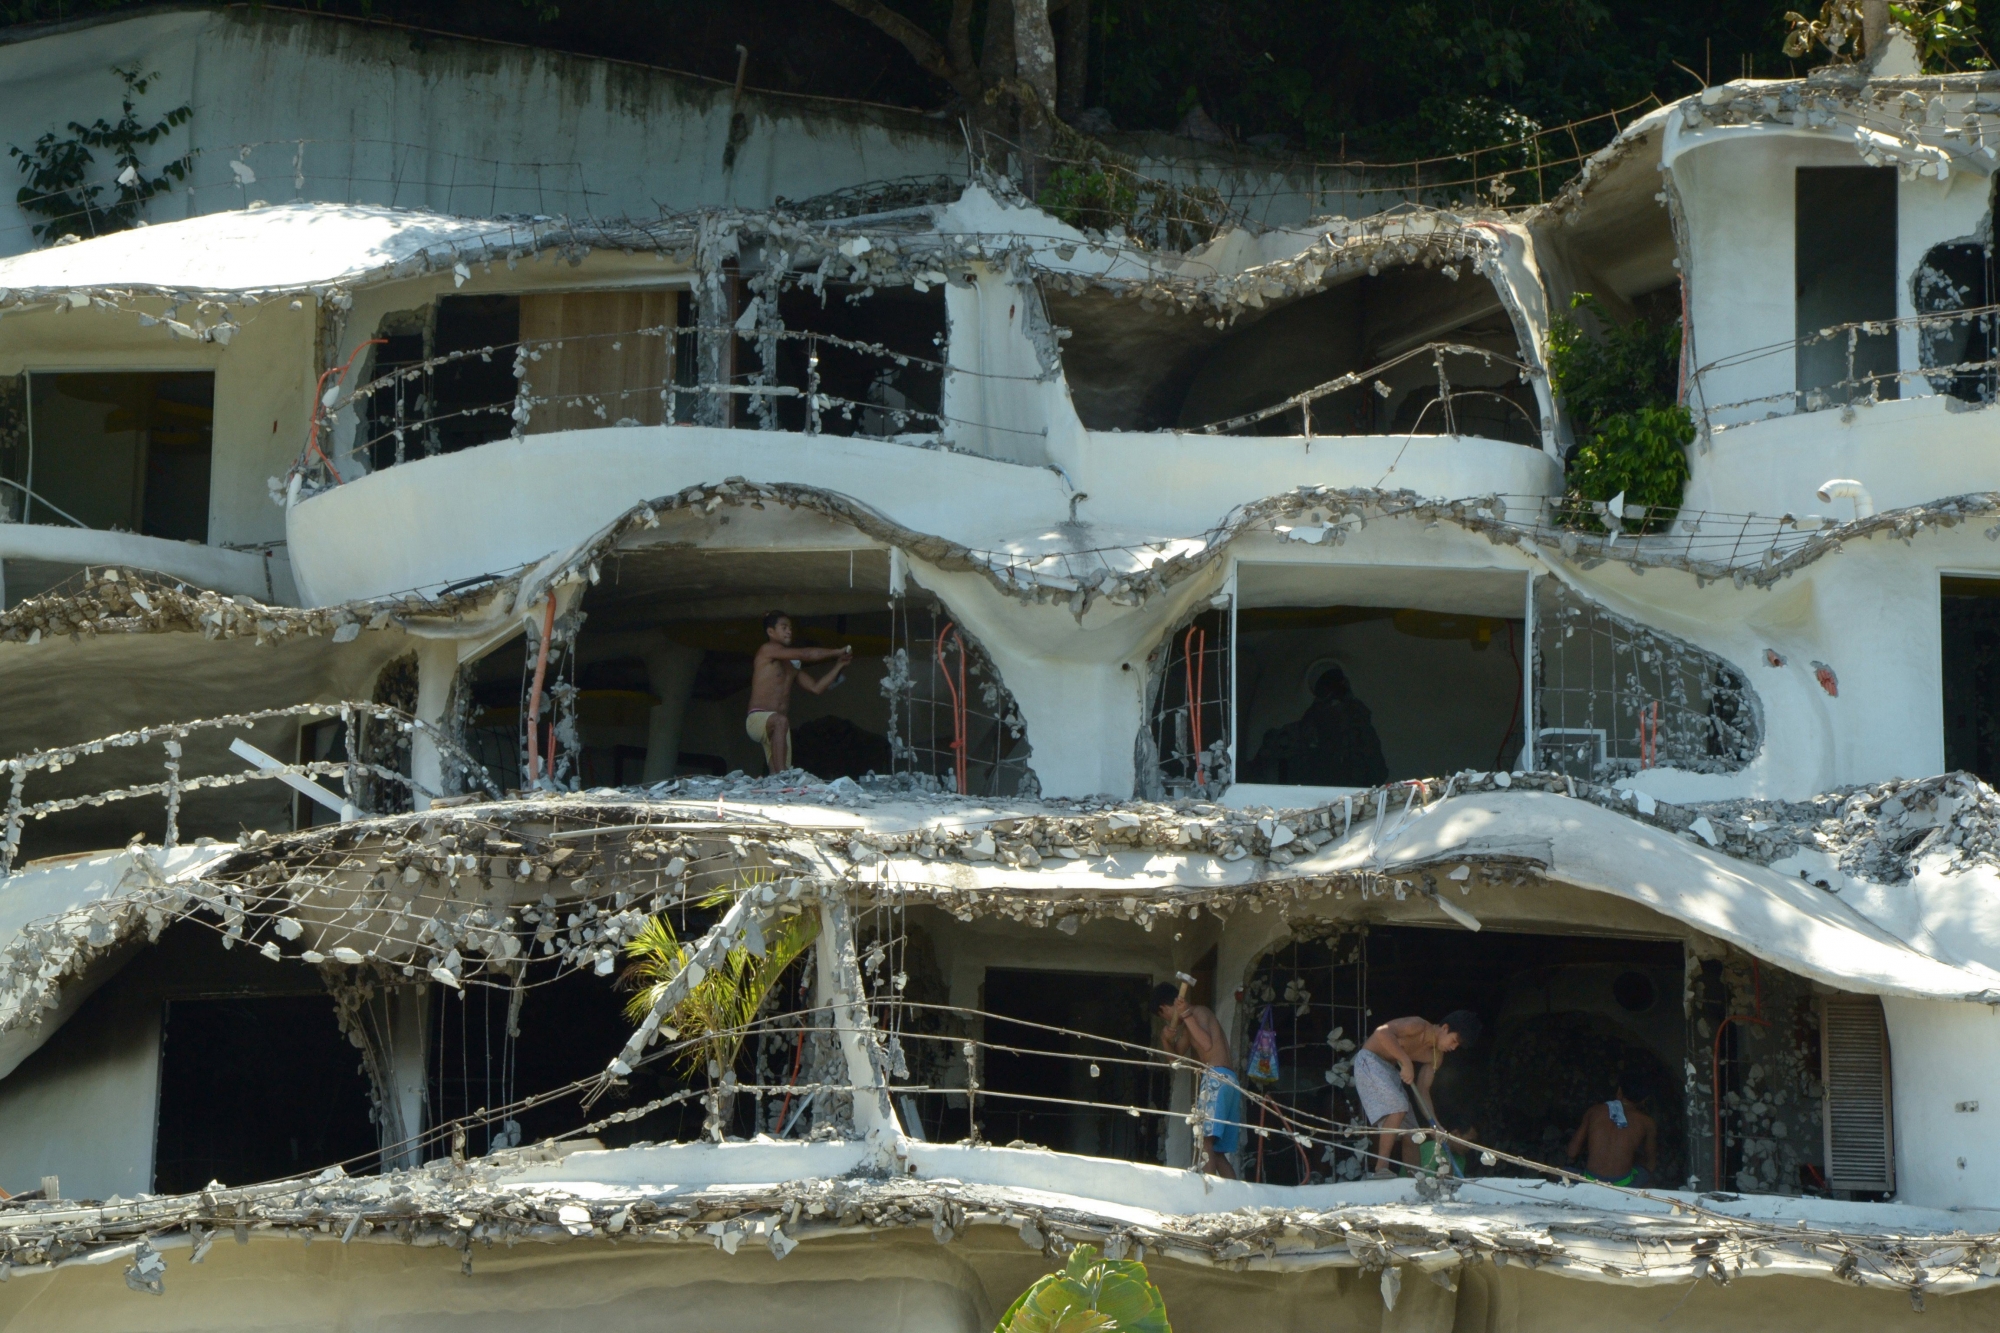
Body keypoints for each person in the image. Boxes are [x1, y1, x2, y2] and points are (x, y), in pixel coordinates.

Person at [1352, 1010, 1482, 1177]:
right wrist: (1406, 1061)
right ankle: (1381, 1168)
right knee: (1398, 1106)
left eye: (1457, 1045)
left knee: (1413, 1132)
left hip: (1389, 1071)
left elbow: (1422, 1090)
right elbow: (1382, 1032)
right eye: (1454, 1040)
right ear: (1445, 1028)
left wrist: (1435, 1124)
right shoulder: (1418, 1025)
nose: (1453, 1047)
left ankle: (1415, 1179)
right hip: (1369, 1060)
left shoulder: (1436, 1057)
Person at [1152, 982, 1240, 1178]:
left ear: (1164, 1009)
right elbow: (1176, 1060)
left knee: (1204, 1141)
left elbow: (1207, 1045)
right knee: (1216, 1151)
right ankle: (1233, 1198)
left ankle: (1207, 1192)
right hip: (1229, 1080)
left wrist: (1186, 1015)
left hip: (1216, 1078)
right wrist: (1165, 1040)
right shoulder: (1188, 1025)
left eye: (1163, 1016)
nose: (1167, 1019)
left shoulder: (1198, 1012)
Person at [747, 611, 851, 775]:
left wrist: (839, 665)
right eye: (784, 627)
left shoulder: (792, 666)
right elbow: (805, 654)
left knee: (777, 777)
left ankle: (779, 785)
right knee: (784, 770)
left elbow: (816, 688)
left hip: (777, 728)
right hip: (758, 719)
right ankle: (783, 775)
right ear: (770, 632)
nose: (789, 631)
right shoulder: (766, 650)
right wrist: (836, 652)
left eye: (790, 628)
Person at [1566, 1070, 1659, 1187]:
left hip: (1591, 1180)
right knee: (1646, 1177)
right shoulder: (1647, 1123)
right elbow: (1651, 1166)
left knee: (1558, 1171)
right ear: (1645, 1099)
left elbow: (1572, 1152)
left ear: (1619, 1091)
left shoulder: (1594, 1111)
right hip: (1622, 1185)